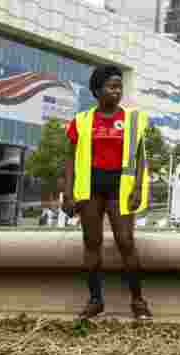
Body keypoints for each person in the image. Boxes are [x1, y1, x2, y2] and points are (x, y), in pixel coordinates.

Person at [62, 65, 153, 320]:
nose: (117, 91)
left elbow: (141, 158)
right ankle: (95, 300)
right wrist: (67, 193)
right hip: (90, 188)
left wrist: (137, 188)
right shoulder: (81, 121)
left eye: (119, 87)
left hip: (119, 188)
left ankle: (138, 301)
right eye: (111, 87)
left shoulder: (133, 120)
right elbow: (69, 159)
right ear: (96, 90)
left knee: (126, 241)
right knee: (92, 243)